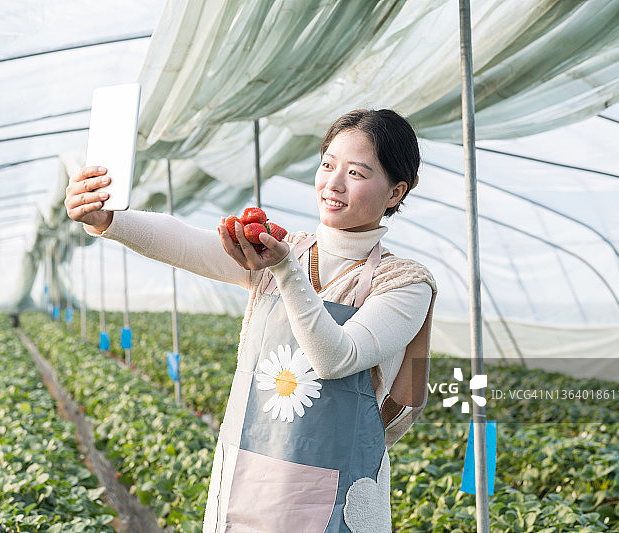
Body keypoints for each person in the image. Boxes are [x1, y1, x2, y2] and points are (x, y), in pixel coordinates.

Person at [65, 109, 437, 533]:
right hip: (249, 477)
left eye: (356, 173)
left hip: (339, 493)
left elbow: (336, 357)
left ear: (395, 193)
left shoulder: (404, 282)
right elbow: (187, 244)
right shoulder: (283, 250)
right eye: (328, 165)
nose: (333, 184)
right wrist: (110, 220)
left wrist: (285, 270)